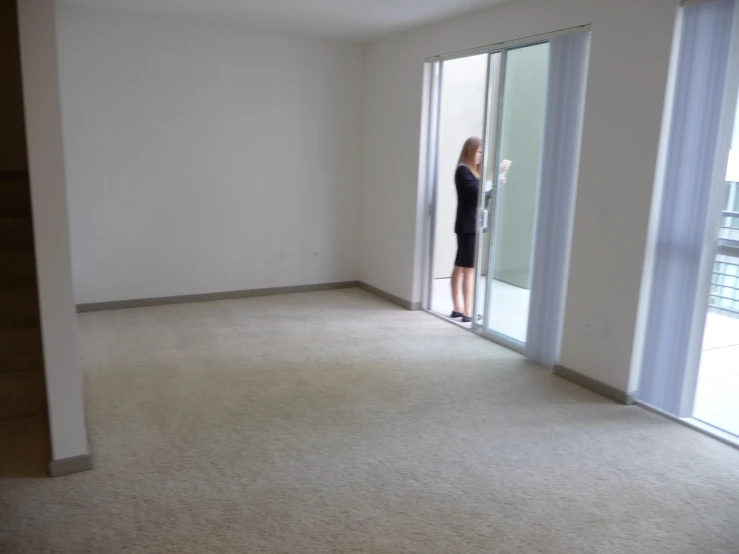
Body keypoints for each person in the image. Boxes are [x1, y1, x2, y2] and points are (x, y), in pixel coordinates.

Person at [451, 137, 483, 323]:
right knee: (469, 269)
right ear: (471, 151)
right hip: (467, 226)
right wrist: (489, 184)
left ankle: (458, 308)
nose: (480, 157)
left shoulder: (472, 172)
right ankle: (468, 312)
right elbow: (474, 192)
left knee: (460, 267)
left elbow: (479, 195)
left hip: (469, 225)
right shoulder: (463, 170)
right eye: (479, 152)